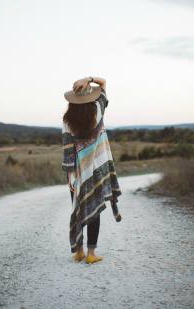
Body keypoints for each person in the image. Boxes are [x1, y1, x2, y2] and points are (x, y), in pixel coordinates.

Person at [62, 76, 122, 264]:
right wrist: (89, 79)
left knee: (79, 207)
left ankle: (78, 251)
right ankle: (91, 254)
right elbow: (104, 83)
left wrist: (71, 175)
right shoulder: (97, 110)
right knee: (94, 207)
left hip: (76, 173)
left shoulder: (67, 120)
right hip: (96, 169)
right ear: (90, 97)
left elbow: (67, 150)